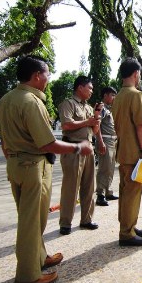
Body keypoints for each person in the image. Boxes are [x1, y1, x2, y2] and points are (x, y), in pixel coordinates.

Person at [0, 56, 93, 283]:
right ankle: (28, 276)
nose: (48, 79)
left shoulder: (6, 100)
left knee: (31, 218)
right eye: (47, 74)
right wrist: (79, 147)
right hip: (33, 167)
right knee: (31, 223)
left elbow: (3, 139)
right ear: (37, 75)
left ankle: (39, 257)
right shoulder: (31, 101)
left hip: (16, 164)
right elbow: (47, 143)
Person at [112, 57, 142, 246]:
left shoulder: (118, 96)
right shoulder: (136, 95)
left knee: (126, 191)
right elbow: (140, 126)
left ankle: (129, 226)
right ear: (136, 74)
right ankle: (126, 233)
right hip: (135, 151)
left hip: (122, 150)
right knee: (132, 192)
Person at [58, 76, 101, 235]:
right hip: (73, 148)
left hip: (88, 148)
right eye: (89, 88)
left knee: (89, 186)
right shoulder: (68, 104)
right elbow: (66, 125)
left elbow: (94, 131)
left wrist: (96, 119)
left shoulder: (89, 108)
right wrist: (87, 122)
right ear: (80, 88)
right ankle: (65, 222)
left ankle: (86, 219)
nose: (91, 91)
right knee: (71, 187)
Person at [95, 86, 119, 206]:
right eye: (112, 95)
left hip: (112, 141)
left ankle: (108, 191)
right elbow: (96, 125)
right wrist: (100, 142)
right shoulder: (101, 107)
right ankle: (100, 194)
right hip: (105, 140)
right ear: (105, 95)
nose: (113, 98)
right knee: (104, 168)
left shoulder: (109, 109)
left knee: (110, 168)